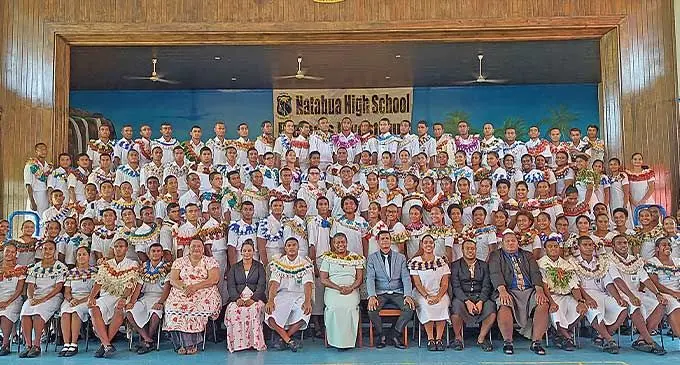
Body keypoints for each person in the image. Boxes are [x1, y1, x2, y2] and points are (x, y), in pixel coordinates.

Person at [489, 230, 549, 355]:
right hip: (508, 290)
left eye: (513, 241)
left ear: (518, 243)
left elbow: (535, 273)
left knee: (543, 304)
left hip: (528, 290)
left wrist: (539, 290)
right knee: (504, 304)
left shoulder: (527, 255)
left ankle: (536, 342)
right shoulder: (496, 255)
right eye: (507, 241)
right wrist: (502, 290)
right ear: (502, 243)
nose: (510, 243)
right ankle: (508, 342)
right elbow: (495, 273)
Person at [608, 235, 666, 354]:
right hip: (619, 293)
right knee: (635, 305)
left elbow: (646, 279)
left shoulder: (635, 260)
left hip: (636, 293)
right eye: (619, 243)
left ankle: (641, 339)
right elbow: (617, 280)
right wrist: (631, 297)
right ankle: (649, 341)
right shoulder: (609, 260)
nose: (623, 245)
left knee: (661, 304)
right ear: (613, 246)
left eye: (625, 243)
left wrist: (658, 294)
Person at [164, 238, 221, 355]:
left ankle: (191, 344)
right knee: (173, 309)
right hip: (182, 290)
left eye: (199, 246)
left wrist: (194, 287)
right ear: (188, 249)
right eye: (193, 246)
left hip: (204, 291)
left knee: (194, 307)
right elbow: (173, 279)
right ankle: (180, 344)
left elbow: (214, 279)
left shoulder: (210, 261)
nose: (196, 248)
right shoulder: (179, 261)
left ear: (203, 248)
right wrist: (185, 288)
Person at [570, 236, 625, 354]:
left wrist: (618, 298)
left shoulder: (601, 262)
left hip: (602, 294)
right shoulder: (572, 262)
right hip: (583, 296)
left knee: (623, 308)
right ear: (578, 247)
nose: (589, 247)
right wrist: (587, 298)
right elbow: (576, 285)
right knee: (595, 312)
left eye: (591, 245)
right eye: (585, 245)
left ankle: (601, 336)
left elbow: (609, 283)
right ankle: (610, 340)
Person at [88, 238, 140, 358]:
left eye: (121, 246)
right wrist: (91, 297)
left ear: (126, 249)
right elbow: (99, 282)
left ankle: (104, 345)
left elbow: (131, 283)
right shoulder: (106, 264)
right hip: (106, 296)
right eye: (116, 246)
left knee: (119, 309)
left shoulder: (132, 264)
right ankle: (107, 345)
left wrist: (123, 298)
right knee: (93, 308)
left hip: (123, 296)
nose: (118, 249)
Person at [366, 231, 415, 349]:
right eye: (382, 239)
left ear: (390, 240)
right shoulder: (372, 258)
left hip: (397, 291)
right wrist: (372, 295)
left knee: (409, 308)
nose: (385, 241)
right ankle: (381, 335)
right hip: (380, 292)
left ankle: (395, 334)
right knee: (371, 310)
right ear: (378, 241)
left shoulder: (400, 257)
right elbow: (370, 278)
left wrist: (408, 294)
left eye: (387, 238)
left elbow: (405, 277)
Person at [19, 240, 67, 358]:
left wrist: (43, 299)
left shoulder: (61, 267)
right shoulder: (35, 267)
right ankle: (28, 345)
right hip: (36, 296)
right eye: (45, 249)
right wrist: (31, 298)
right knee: (25, 313)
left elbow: (58, 287)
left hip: (53, 296)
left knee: (38, 314)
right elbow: (30, 285)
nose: (48, 251)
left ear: (55, 251)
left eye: (51, 249)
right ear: (41, 250)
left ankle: (37, 345)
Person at [265, 237, 314, 352]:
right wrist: (271, 300)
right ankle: (289, 340)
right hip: (282, 295)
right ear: (285, 248)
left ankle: (283, 338)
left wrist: (307, 301)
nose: (291, 247)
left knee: (305, 313)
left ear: (298, 247)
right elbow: (274, 284)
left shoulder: (305, 263)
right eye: (289, 245)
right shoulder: (279, 263)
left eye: (294, 245)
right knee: (270, 313)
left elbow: (308, 284)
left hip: (299, 296)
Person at [537, 235, 585, 351]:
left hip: (567, 296)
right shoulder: (540, 264)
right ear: (545, 249)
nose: (553, 248)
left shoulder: (566, 264)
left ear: (559, 248)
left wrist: (580, 301)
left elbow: (574, 285)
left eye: (555, 246)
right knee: (556, 312)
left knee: (582, 310)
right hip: (552, 296)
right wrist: (551, 302)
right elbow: (543, 285)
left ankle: (559, 334)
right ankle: (568, 338)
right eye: (550, 246)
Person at [319, 233, 365, 351]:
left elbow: (359, 279)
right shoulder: (328, 258)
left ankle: (348, 341)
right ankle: (334, 341)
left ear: (346, 242)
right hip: (333, 290)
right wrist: (338, 288)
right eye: (337, 242)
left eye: (343, 242)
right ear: (333, 244)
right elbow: (323, 279)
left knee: (350, 308)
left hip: (352, 289)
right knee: (334, 308)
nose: (341, 244)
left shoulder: (356, 258)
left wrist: (350, 288)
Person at [449, 239, 496, 352]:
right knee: (455, 307)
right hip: (463, 297)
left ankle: (481, 338)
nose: (470, 251)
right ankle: (458, 338)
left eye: (473, 249)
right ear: (462, 250)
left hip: (480, 296)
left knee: (491, 308)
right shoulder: (455, 265)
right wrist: (467, 301)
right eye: (468, 248)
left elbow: (486, 286)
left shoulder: (484, 265)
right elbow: (456, 286)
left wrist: (480, 301)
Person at [126, 244, 171, 355]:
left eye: (158, 251)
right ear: (149, 254)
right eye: (153, 251)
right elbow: (138, 288)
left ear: (162, 253)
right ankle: (148, 340)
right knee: (129, 313)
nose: (156, 253)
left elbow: (167, 288)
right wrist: (132, 302)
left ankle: (147, 341)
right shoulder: (143, 268)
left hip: (160, 297)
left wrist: (161, 302)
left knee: (155, 315)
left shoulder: (168, 268)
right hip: (145, 297)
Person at [408, 235, 450, 351]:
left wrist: (438, 296)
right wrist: (427, 296)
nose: (428, 245)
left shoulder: (441, 261)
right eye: (425, 242)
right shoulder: (415, 262)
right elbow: (417, 283)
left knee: (442, 304)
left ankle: (439, 339)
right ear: (421, 245)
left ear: (434, 245)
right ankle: (431, 339)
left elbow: (445, 284)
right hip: (421, 293)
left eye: (431, 242)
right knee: (427, 305)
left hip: (439, 292)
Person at [225, 240, 267, 353]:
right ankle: (237, 345)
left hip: (255, 298)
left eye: (249, 250)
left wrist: (253, 299)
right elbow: (231, 286)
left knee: (254, 310)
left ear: (253, 252)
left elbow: (262, 285)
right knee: (234, 311)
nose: (247, 253)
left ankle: (255, 343)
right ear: (241, 252)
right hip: (238, 298)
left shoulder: (259, 266)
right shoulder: (234, 267)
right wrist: (237, 299)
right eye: (244, 251)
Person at [59, 246, 97, 357]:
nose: (81, 257)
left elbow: (96, 292)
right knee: (65, 312)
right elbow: (67, 292)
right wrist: (71, 299)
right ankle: (66, 344)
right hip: (72, 299)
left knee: (76, 312)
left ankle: (74, 344)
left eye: (84, 254)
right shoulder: (70, 273)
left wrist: (81, 301)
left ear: (89, 256)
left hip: (87, 299)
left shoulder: (95, 271)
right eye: (79, 254)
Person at [645, 237, 680, 339]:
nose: (667, 247)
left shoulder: (678, 261)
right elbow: (655, 283)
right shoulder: (652, 262)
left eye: (669, 244)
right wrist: (673, 293)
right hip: (659, 292)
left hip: (676, 291)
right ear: (657, 248)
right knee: (674, 304)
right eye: (664, 245)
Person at [0, 243, 27, 356]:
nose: (9, 254)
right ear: (3, 253)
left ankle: (6, 344)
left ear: (16, 254)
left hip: (14, 298)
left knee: (6, 313)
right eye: (7, 251)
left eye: (12, 252)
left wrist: (7, 302)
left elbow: (19, 289)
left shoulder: (20, 269)